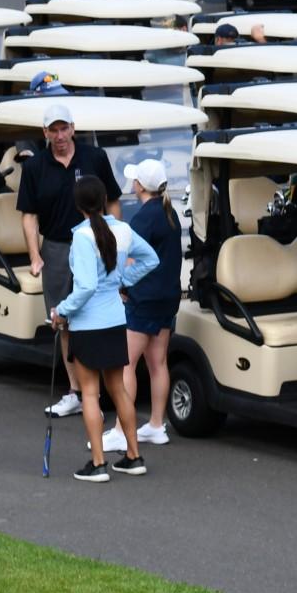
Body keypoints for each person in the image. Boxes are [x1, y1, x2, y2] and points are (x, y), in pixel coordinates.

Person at [17, 100, 121, 417]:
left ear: (73, 129)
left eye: (64, 128)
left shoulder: (95, 157)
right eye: (54, 130)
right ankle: (77, 392)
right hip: (58, 248)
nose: (60, 135)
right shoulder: (35, 167)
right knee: (63, 321)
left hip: (95, 242)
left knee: (98, 314)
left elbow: (113, 202)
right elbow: (29, 216)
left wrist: (115, 243)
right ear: (45, 133)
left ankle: (103, 389)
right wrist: (35, 256)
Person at [53, 175, 160, 481]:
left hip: (88, 323)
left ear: (78, 205)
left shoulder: (82, 236)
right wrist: (123, 281)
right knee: (118, 389)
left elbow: (85, 287)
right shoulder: (124, 229)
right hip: (115, 318)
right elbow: (150, 259)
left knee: (89, 392)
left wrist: (61, 312)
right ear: (103, 200)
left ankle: (98, 462)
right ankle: (133, 455)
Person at [105, 158, 183, 453]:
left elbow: (128, 259)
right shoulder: (169, 213)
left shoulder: (142, 217)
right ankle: (155, 425)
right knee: (158, 362)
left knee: (126, 363)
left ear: (139, 185)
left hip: (143, 299)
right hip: (167, 297)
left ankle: (120, 431)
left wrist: (121, 285)